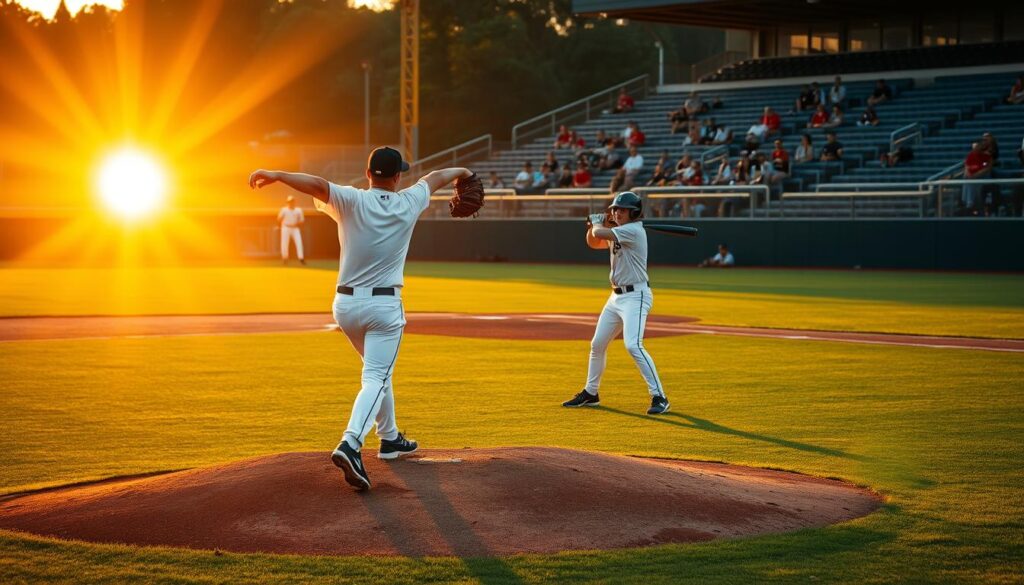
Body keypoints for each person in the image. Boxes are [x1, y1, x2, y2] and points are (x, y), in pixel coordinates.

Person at [248, 147, 475, 490]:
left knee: (378, 372)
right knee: (376, 378)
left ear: (368, 174)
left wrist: (279, 175)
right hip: (384, 308)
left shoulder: (350, 199)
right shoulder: (409, 201)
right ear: (398, 176)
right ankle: (351, 443)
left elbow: (315, 184)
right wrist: (465, 172)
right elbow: (436, 178)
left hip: (345, 306)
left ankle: (390, 437)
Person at [562, 192, 669, 415]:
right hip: (616, 297)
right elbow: (594, 241)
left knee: (633, 345)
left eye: (621, 209)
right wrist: (594, 225)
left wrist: (598, 223)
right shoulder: (620, 231)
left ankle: (660, 396)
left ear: (634, 212)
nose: (616, 212)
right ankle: (591, 393)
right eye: (614, 209)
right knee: (597, 344)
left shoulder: (633, 231)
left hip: (636, 296)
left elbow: (600, 232)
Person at [962, 141, 992, 215]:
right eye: (973, 147)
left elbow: (987, 168)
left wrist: (976, 175)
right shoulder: (970, 155)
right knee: (967, 179)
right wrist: (968, 174)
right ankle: (968, 203)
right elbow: (966, 167)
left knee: (972, 183)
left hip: (982, 178)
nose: (974, 148)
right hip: (971, 178)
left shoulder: (986, 156)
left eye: (976, 146)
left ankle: (970, 203)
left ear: (980, 147)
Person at [277, 195, 305, 265]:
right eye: (289, 202)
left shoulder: (298, 210)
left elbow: (302, 220)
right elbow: (279, 219)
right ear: (287, 202)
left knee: (299, 242)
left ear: (294, 202)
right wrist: (279, 225)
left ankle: (301, 258)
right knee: (284, 243)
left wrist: (296, 223)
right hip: (286, 227)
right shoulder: (284, 210)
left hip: (295, 228)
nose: (290, 203)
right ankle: (285, 258)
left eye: (292, 202)